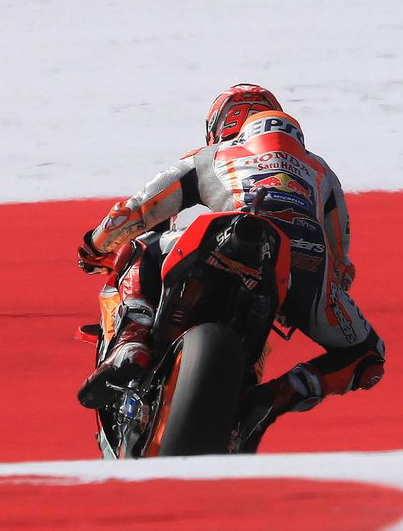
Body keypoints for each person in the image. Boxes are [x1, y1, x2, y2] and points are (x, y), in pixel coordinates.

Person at [75, 83, 386, 449]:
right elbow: (340, 264)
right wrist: (314, 296)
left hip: (225, 235)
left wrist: (95, 246)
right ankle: (275, 398)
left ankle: (133, 340)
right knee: (368, 355)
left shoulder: (214, 154)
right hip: (303, 263)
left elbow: (140, 208)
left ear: (221, 123)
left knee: (138, 247)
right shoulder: (322, 172)